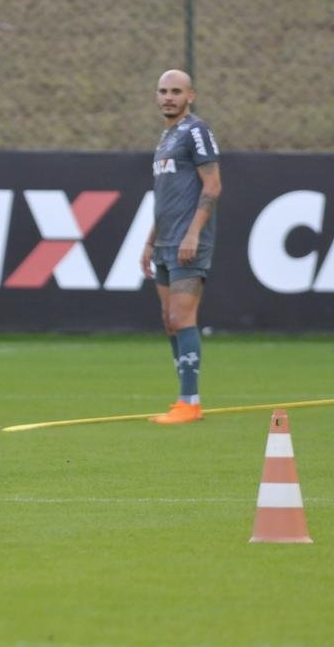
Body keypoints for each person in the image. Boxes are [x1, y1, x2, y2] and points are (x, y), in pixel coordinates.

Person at [140, 69, 222, 425]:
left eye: (176, 91)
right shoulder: (166, 137)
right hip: (165, 242)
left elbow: (213, 185)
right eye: (163, 91)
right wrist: (149, 241)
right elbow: (167, 198)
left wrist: (193, 234)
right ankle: (181, 400)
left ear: (191, 96)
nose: (168, 97)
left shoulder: (196, 131)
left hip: (188, 242)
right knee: (168, 321)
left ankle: (191, 402)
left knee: (181, 317)